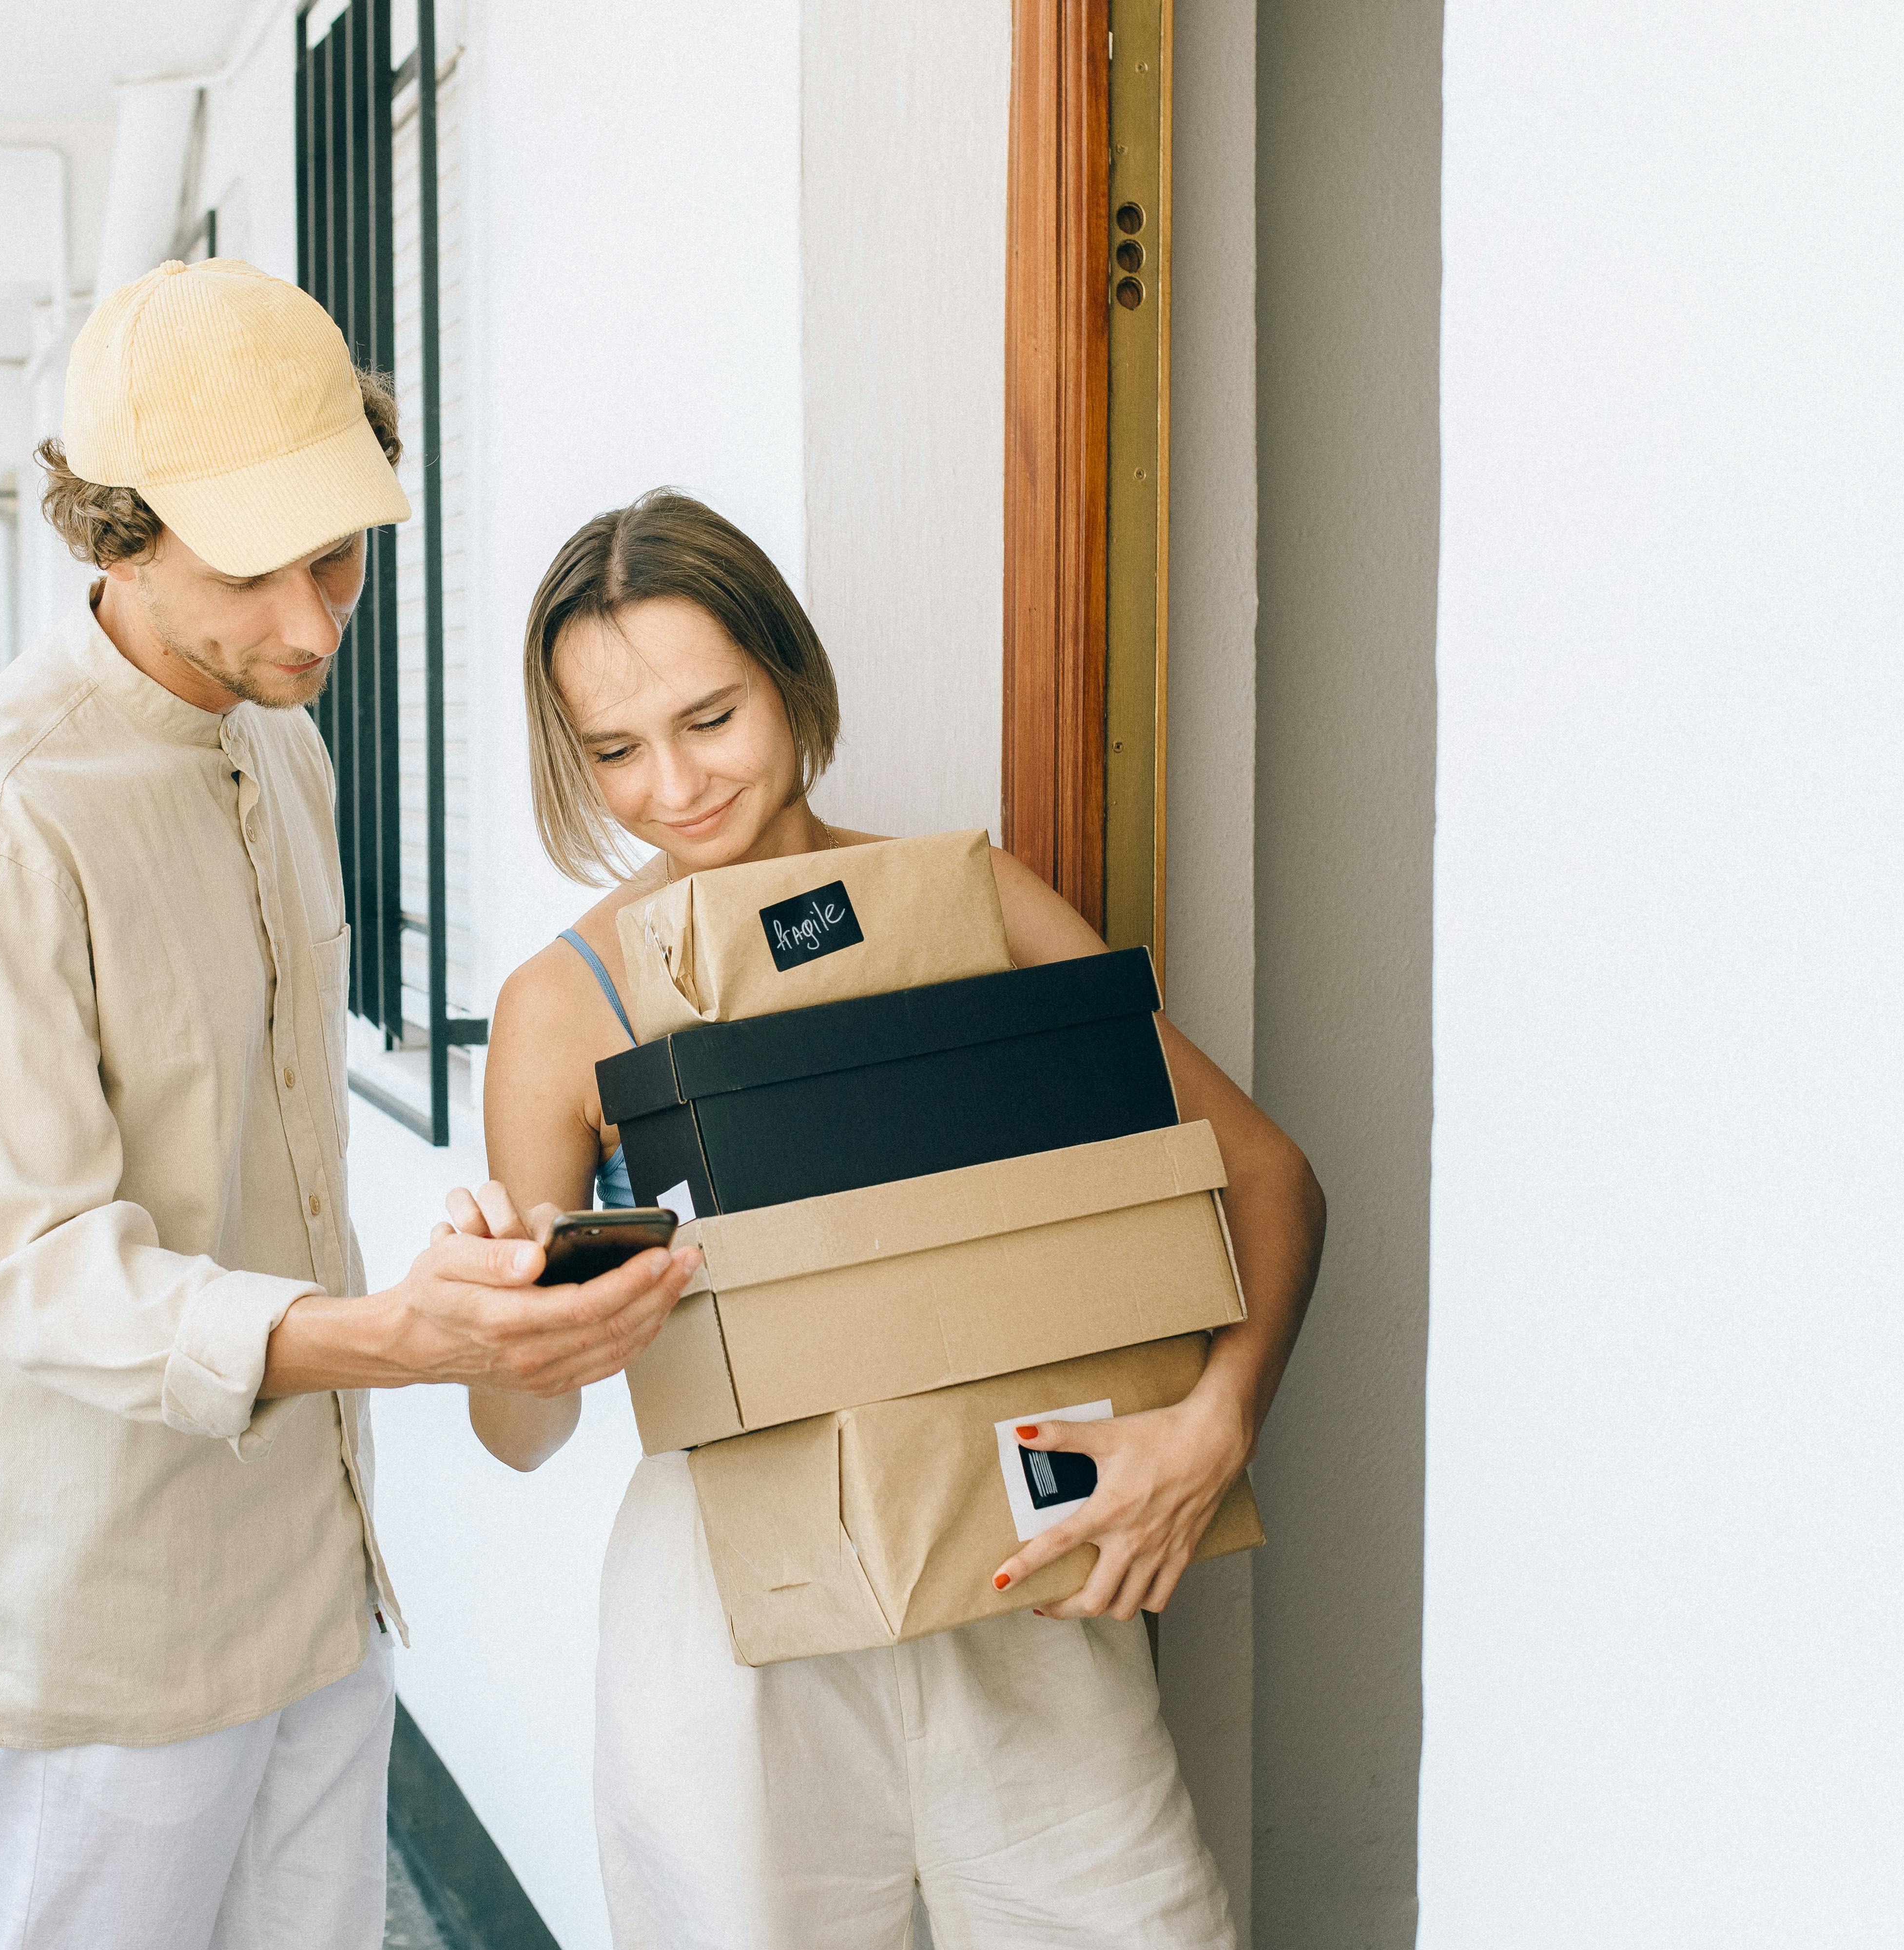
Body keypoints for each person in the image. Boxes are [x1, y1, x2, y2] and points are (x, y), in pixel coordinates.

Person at [0, 262, 695, 1950]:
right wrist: (402, 1339)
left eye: (339, 556)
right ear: (114, 533)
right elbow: (30, 1269)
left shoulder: (276, 748)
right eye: (253, 570)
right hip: (113, 1624)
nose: (312, 622)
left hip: (319, 1575)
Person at [458, 490, 1327, 1948]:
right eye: (612, 750)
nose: (671, 786)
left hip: (1012, 1576)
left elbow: (1265, 1172)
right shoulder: (563, 1004)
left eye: (710, 716)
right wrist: (515, 1333)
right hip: (731, 1631)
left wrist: (1215, 1424)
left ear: (792, 679)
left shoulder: (965, 906)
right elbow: (518, 1431)